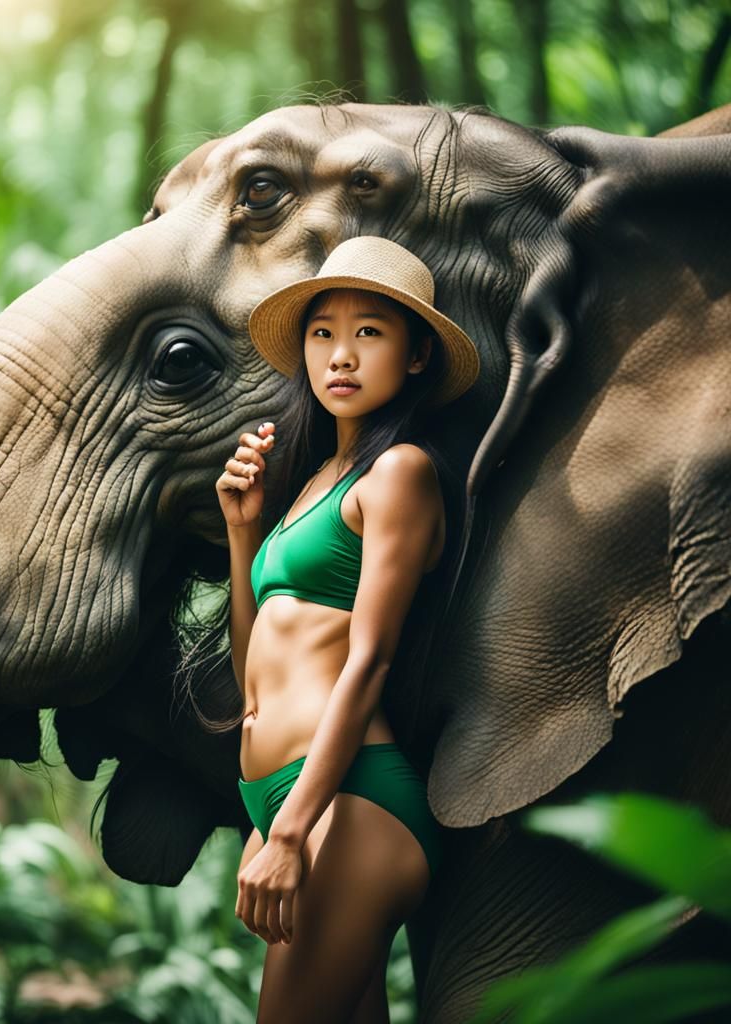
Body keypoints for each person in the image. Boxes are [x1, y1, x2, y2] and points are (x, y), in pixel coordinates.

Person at [214, 235, 480, 1023]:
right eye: (323, 332)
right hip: (291, 800)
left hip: (349, 800)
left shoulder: (400, 473)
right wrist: (242, 533)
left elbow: (369, 662)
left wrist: (294, 831)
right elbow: (251, 671)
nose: (341, 355)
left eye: (370, 332)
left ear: (418, 355)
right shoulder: (314, 487)